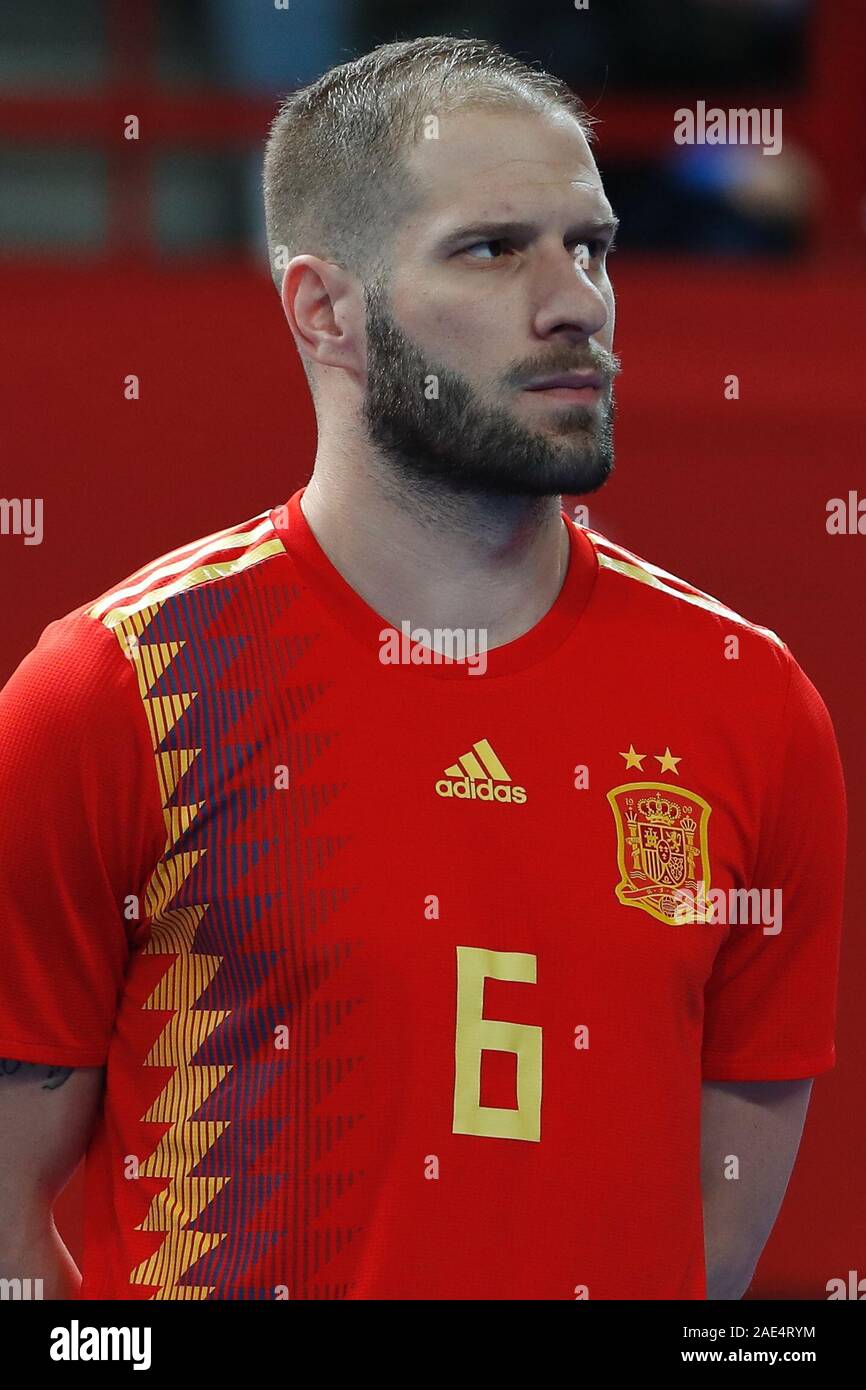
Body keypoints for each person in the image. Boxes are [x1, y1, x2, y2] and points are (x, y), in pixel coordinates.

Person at [0, 35, 846, 1300]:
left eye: (590, 245)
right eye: (494, 248)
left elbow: (705, 1250)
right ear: (322, 309)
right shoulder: (120, 686)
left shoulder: (750, 699)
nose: (575, 302)